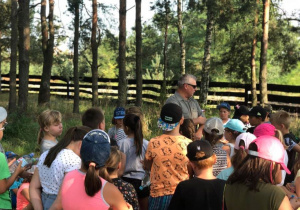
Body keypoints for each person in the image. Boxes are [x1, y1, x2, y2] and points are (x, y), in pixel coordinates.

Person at [50, 129, 132, 210]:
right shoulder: (110, 190)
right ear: (107, 159)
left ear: (80, 152)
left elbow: (57, 205)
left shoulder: (68, 177)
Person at [224, 135, 298, 210]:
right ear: (273, 165)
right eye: (281, 166)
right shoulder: (275, 194)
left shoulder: (230, 184)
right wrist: (291, 206)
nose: (281, 171)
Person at [30, 126, 91, 210]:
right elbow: (63, 197)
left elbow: (33, 187)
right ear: (81, 144)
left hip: (43, 201)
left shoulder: (46, 154)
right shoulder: (74, 160)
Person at [144, 103, 192, 210]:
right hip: (181, 194)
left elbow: (147, 166)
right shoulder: (188, 144)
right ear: (181, 120)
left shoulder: (153, 142)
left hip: (158, 195)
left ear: (161, 120)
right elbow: (191, 170)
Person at [168, 140, 225, 210]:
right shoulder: (225, 186)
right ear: (215, 159)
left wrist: (190, 177)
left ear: (191, 164)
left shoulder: (183, 187)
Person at [0, 107, 29, 210]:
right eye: (3, 125)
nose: (3, 129)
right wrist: (17, 172)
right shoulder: (0, 157)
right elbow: (2, 188)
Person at [118, 113, 149, 210]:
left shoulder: (122, 143)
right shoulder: (147, 143)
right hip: (143, 183)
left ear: (126, 128)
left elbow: (121, 168)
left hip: (126, 182)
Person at [165, 74, 206, 140]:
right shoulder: (172, 102)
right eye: (194, 86)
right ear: (186, 86)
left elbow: (203, 119)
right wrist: (197, 120)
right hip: (176, 141)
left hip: (192, 142)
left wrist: (199, 131)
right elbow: (175, 122)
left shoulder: (194, 102)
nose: (196, 89)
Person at [270, 110, 300, 184]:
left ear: (281, 126)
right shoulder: (291, 135)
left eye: (273, 126)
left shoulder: (286, 139)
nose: (272, 128)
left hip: (286, 171)